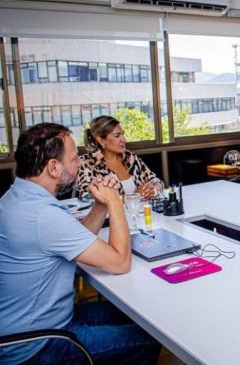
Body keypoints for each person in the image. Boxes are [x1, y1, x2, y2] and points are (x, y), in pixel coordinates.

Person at [0, 123, 161, 364]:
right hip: (40, 345)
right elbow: (120, 262)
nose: (79, 164)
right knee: (149, 334)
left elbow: (75, 238)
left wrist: (101, 206)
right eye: (74, 159)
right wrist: (116, 202)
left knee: (142, 314)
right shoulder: (44, 215)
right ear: (53, 167)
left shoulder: (16, 198)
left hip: (34, 325)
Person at [76, 115, 163, 200]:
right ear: (101, 140)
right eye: (117, 136)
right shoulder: (86, 163)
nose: (124, 139)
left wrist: (154, 189)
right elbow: (86, 197)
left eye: (123, 134)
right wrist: (133, 197)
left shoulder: (130, 158)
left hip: (141, 213)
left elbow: (157, 182)